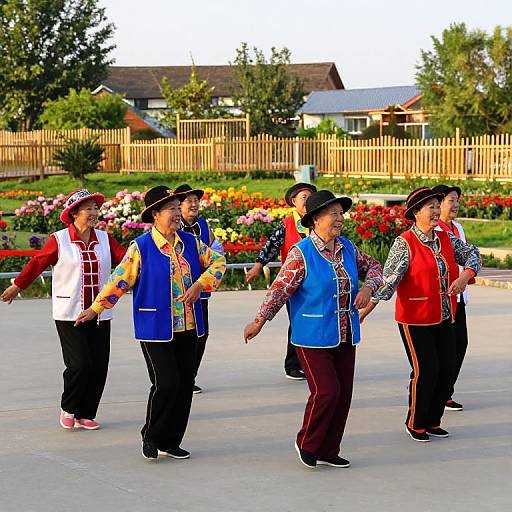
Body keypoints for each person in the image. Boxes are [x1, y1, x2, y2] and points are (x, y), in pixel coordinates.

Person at [75, 186, 226, 460]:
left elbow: (218, 262)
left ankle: (171, 441)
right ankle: (151, 435)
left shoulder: (191, 243)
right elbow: (119, 280)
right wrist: (96, 308)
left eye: (178, 207)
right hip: (156, 328)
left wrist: (201, 284)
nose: (177, 213)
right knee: (166, 383)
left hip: (189, 327)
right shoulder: (141, 247)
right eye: (171, 208)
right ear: (155, 214)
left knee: (184, 386)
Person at [244, 190, 383, 469]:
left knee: (343, 395)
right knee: (327, 391)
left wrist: (368, 288)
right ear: (315, 219)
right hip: (311, 335)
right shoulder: (301, 254)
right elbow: (280, 288)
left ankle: (329, 449)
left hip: (345, 331)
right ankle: (307, 442)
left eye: (340, 213)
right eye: (333, 213)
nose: (339, 218)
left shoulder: (347, 248)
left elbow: (375, 267)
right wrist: (260, 320)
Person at [360, 187, 481, 442]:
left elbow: (473, 254)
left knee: (447, 368)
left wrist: (464, 276)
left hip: (446, 315)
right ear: (416, 213)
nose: (437, 211)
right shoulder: (404, 243)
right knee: (427, 369)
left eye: (438, 206)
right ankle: (415, 421)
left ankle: (433, 420)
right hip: (415, 318)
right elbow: (389, 279)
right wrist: (368, 307)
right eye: (431, 207)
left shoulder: (446, 239)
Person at [1, 189, 126, 430]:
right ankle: (69, 407)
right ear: (74, 213)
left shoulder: (104, 238)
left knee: (99, 366)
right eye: (88, 209)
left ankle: (86, 413)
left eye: (95, 208)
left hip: (100, 313)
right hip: (70, 312)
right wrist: (18, 285)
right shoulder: (59, 239)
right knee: (79, 364)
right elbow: (38, 262)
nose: (93, 213)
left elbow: (126, 260)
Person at [245, 183, 317, 381]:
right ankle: (293, 365)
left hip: (317, 282)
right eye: (304, 197)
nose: (307, 201)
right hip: (293, 284)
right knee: (298, 321)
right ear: (294, 202)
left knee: (314, 320)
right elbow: (271, 246)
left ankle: (312, 361)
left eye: (310, 197)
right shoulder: (286, 224)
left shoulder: (318, 221)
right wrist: (258, 266)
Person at [174, 183, 224, 395]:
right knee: (179, 334)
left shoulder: (203, 225)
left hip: (200, 289)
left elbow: (217, 249)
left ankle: (189, 377)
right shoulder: (174, 225)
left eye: (196, 200)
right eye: (189, 201)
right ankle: (176, 377)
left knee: (200, 334)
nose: (194, 204)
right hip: (177, 291)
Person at [432, 184, 473, 411]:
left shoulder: (457, 227)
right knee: (436, 349)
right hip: (439, 299)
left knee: (459, 345)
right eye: (450, 200)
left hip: (458, 298)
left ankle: (445, 391)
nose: (455, 204)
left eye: (457, 200)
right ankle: (428, 388)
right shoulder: (433, 229)